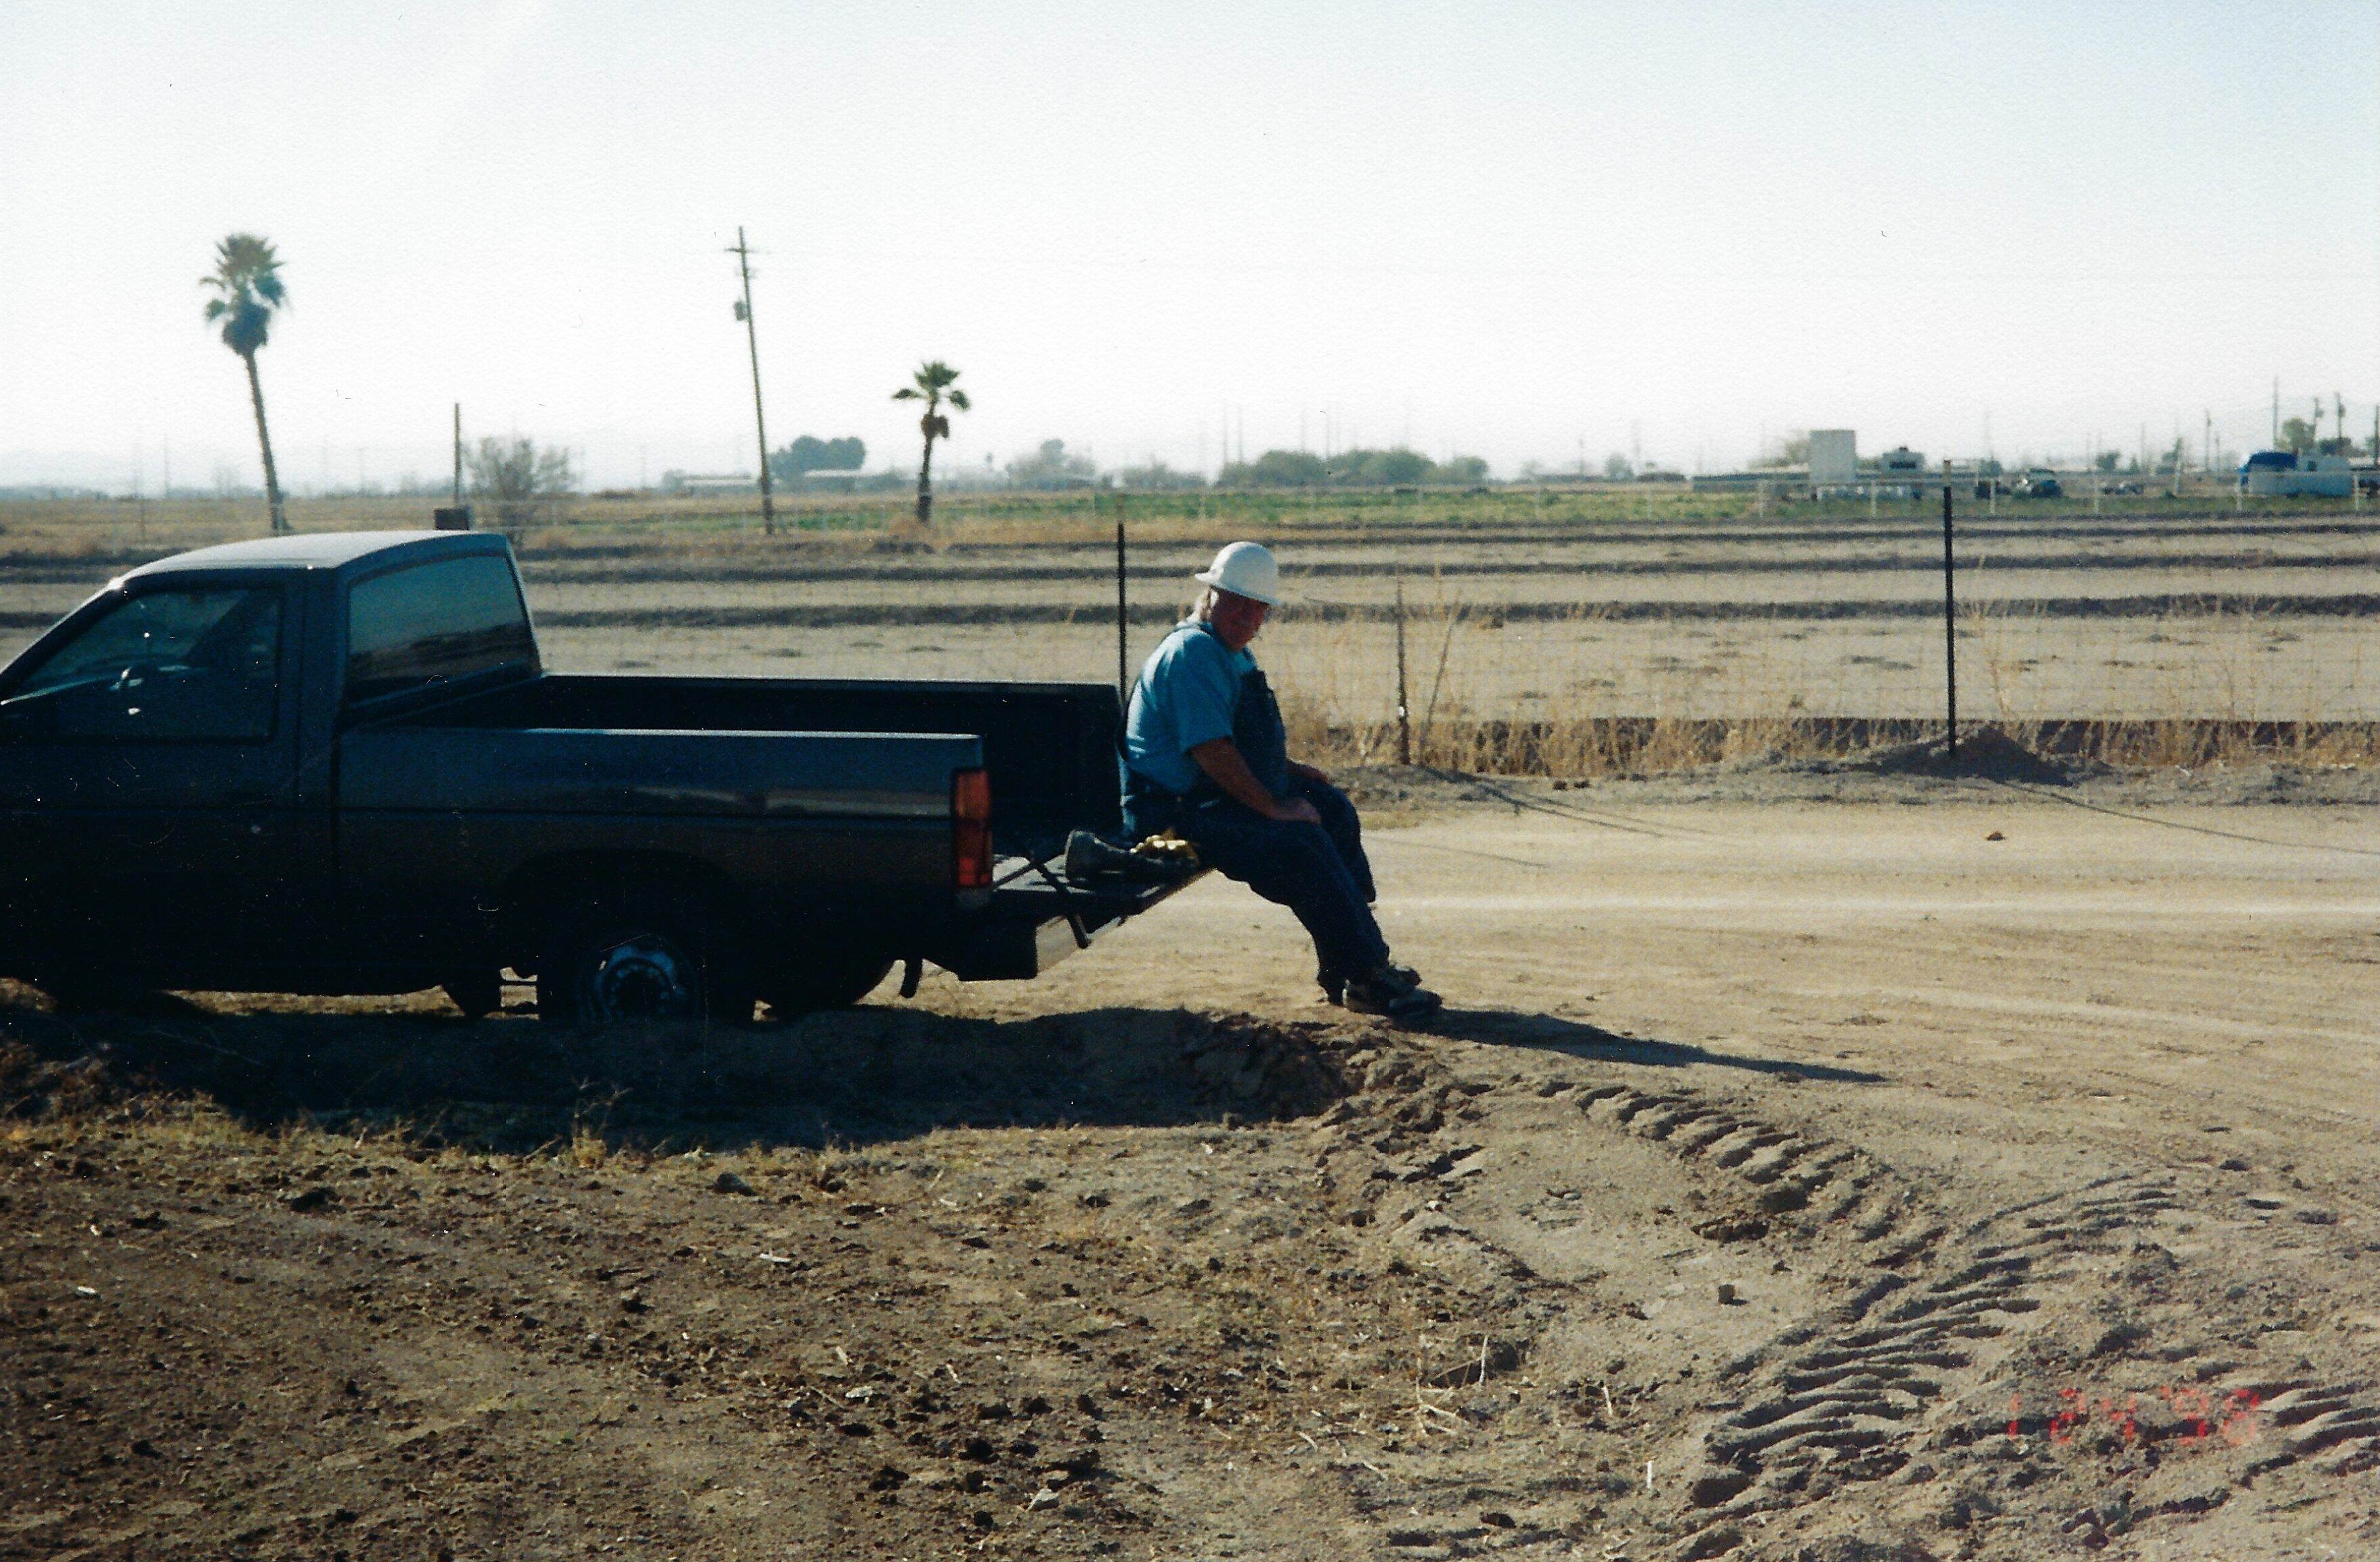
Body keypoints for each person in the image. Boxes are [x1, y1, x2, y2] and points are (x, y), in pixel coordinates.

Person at [1120, 542, 1440, 1022]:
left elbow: (1234, 742)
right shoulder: (1192, 654)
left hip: (1210, 797)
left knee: (1331, 810)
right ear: (1211, 595)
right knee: (1298, 844)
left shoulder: (1229, 653)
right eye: (1238, 603)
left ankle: (1350, 965)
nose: (1249, 617)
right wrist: (1273, 807)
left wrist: (1290, 772)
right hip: (1171, 813)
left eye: (1259, 608)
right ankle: (1368, 976)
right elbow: (1211, 750)